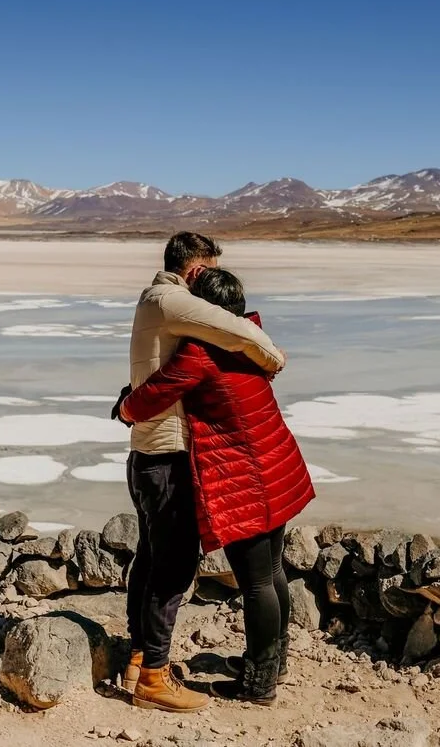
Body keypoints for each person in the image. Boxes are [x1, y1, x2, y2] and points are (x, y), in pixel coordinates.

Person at [120, 267, 315, 706]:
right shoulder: (252, 340)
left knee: (257, 582)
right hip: (277, 466)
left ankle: (259, 684)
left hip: (245, 479)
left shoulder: (201, 354)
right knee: (274, 570)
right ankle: (272, 662)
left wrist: (125, 409)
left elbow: (152, 395)